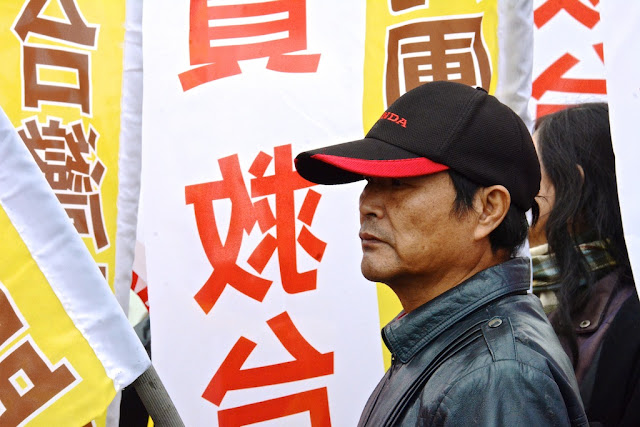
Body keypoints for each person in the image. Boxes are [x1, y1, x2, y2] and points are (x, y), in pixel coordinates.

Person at [295, 81, 587, 426]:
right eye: (369, 181)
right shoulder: (453, 345)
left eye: (398, 183)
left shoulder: (497, 374)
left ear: (488, 209)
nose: (368, 204)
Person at [529, 103, 640, 426]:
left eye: (530, 174)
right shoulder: (517, 295)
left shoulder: (630, 322)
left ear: (573, 189)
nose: (512, 190)